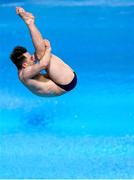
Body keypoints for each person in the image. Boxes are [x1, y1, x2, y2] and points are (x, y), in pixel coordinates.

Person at [10, 7, 77, 97]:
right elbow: (43, 64)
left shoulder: (22, 71)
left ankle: (30, 22)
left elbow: (38, 63)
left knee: (39, 54)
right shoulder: (26, 74)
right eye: (30, 58)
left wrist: (36, 54)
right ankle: (29, 22)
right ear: (25, 65)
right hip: (66, 83)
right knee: (41, 54)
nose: (32, 59)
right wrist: (48, 48)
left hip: (59, 80)